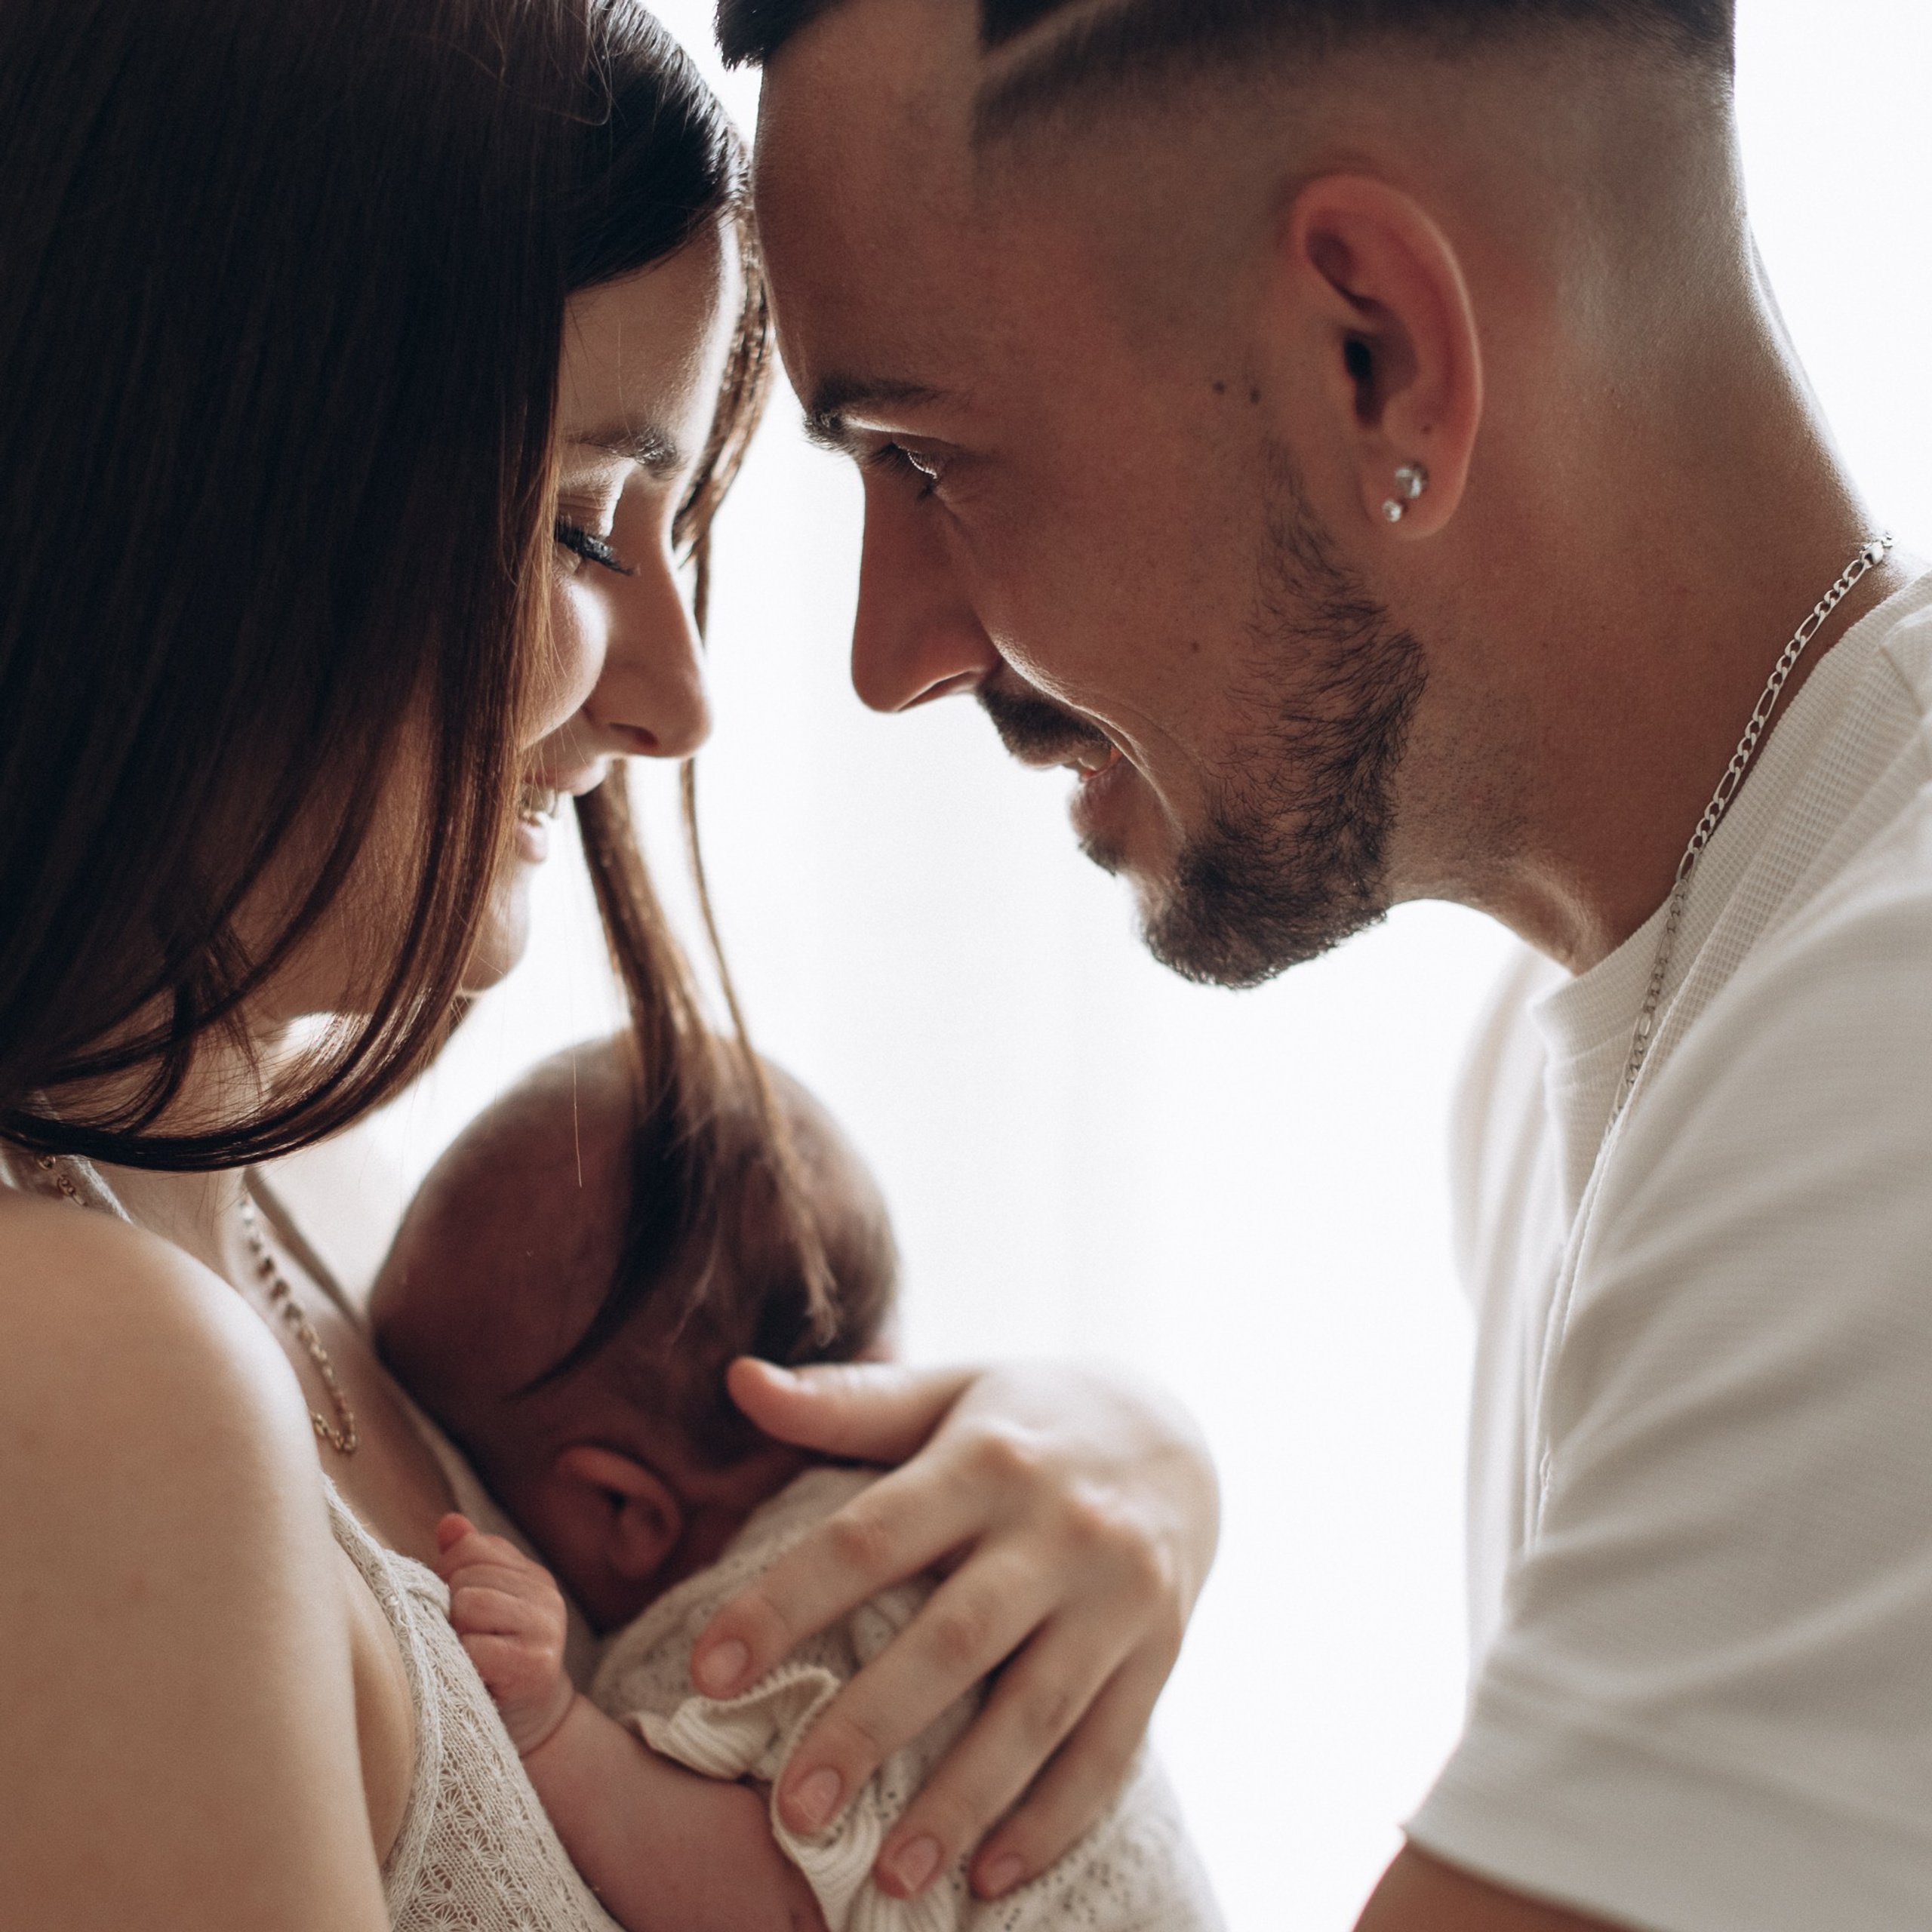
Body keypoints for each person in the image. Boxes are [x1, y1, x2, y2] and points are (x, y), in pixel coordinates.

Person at [715, 0, 1932, 1927]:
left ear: (1376, 357)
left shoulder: (1881, 1070)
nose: (890, 649)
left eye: (927, 459)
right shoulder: (1576, 1052)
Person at [0, 2, 1218, 1924]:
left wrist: (1105, 1457)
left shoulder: (315, 1179)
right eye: (582, 522)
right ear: (202, 484)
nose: (678, 696)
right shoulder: (73, 1375)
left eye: (673, 530)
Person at [368, 1035, 1223, 1931]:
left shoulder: (769, 1607)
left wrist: (556, 1733)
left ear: (624, 1509)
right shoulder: (984, 1510)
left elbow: (780, 1908)